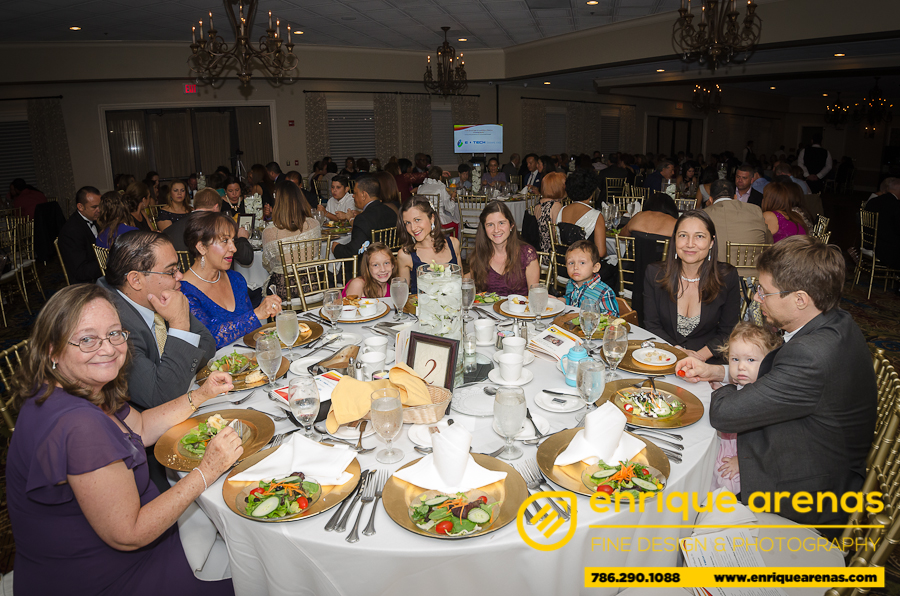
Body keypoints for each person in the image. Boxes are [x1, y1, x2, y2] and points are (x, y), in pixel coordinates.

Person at [6, 283, 239, 595]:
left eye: (115, 333)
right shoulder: (80, 426)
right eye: (87, 339)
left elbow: (140, 426)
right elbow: (130, 534)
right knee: (258, 577)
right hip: (110, 578)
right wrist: (207, 471)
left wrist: (200, 395)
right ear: (52, 350)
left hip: (70, 566)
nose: (108, 348)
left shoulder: (65, 388)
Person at [678, 237, 877, 531]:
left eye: (764, 291)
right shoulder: (835, 321)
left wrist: (727, 384)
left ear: (800, 299)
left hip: (808, 492)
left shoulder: (811, 355)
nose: (758, 298)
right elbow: (777, 378)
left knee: (687, 492)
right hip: (816, 449)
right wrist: (717, 371)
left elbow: (725, 414)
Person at [99, 230, 216, 409]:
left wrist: (172, 371)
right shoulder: (112, 325)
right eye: (171, 271)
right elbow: (162, 397)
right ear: (136, 280)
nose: (180, 276)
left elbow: (208, 342)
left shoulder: (155, 298)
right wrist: (179, 324)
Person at [643, 210, 741, 362]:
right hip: (664, 355)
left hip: (709, 360)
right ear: (674, 239)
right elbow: (651, 325)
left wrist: (698, 358)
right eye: (683, 235)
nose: (690, 244)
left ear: (711, 242)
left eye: (699, 236)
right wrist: (678, 353)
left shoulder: (727, 277)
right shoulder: (655, 274)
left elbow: (728, 331)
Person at [180, 212, 282, 348]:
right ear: (201, 247)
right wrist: (256, 314)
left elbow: (252, 332)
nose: (233, 248)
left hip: (248, 357)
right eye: (224, 241)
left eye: (233, 240)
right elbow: (207, 341)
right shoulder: (184, 292)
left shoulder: (236, 279)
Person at [710, 322, 783, 494]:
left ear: (767, 362)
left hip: (742, 459)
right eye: (735, 359)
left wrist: (743, 461)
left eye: (750, 360)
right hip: (723, 449)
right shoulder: (738, 386)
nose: (741, 367)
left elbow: (770, 442)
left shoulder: (765, 398)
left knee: (725, 489)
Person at [163, 188, 252, 270]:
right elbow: (246, 258)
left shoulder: (168, 231)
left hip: (179, 278)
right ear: (216, 207)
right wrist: (242, 238)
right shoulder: (220, 228)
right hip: (215, 278)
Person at [262, 181, 321, 300]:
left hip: (284, 290)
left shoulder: (269, 231)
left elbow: (268, 264)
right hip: (313, 285)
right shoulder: (314, 224)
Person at [467, 200, 538, 295]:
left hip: (520, 305)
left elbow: (534, 296)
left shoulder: (527, 255)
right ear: (484, 229)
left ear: (511, 225)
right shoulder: (479, 255)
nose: (496, 230)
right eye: (490, 225)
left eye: (501, 223)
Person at [557, 169, 614, 284]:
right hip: (584, 272)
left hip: (562, 267)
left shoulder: (562, 210)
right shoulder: (596, 215)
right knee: (613, 268)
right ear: (591, 192)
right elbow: (601, 253)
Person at [397, 196, 461, 294]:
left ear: (432, 218)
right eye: (408, 223)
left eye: (417, 220)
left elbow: (460, 283)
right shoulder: (405, 255)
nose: (413, 228)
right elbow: (402, 295)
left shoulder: (453, 244)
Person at [703, 179, 772, 264]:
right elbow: (769, 242)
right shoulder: (755, 210)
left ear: (710, 199)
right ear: (735, 197)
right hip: (753, 270)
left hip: (716, 269)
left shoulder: (704, 214)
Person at [333, 175, 398, 260]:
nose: (353, 196)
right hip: (391, 259)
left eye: (355, 193)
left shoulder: (363, 218)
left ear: (364, 195)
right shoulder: (390, 212)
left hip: (370, 262)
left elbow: (354, 251)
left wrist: (336, 248)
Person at [58, 185, 103, 284]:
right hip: (87, 283)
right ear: (80, 207)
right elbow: (81, 271)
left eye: (100, 206)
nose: (99, 210)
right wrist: (108, 262)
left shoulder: (95, 221)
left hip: (98, 275)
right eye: (94, 207)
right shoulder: (71, 231)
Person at [564, 240, 618, 313]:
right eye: (571, 263)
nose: (575, 267)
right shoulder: (570, 283)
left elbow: (612, 316)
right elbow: (570, 300)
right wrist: (561, 301)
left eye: (582, 263)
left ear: (595, 267)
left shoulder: (604, 292)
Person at [417, 166, 460, 233]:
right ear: (440, 177)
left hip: (424, 219)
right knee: (457, 223)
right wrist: (452, 197)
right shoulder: (441, 187)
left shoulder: (421, 188)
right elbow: (449, 207)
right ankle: (451, 240)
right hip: (438, 220)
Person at [536, 172, 567, 255]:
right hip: (551, 254)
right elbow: (555, 235)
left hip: (540, 252)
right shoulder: (555, 205)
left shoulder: (538, 205)